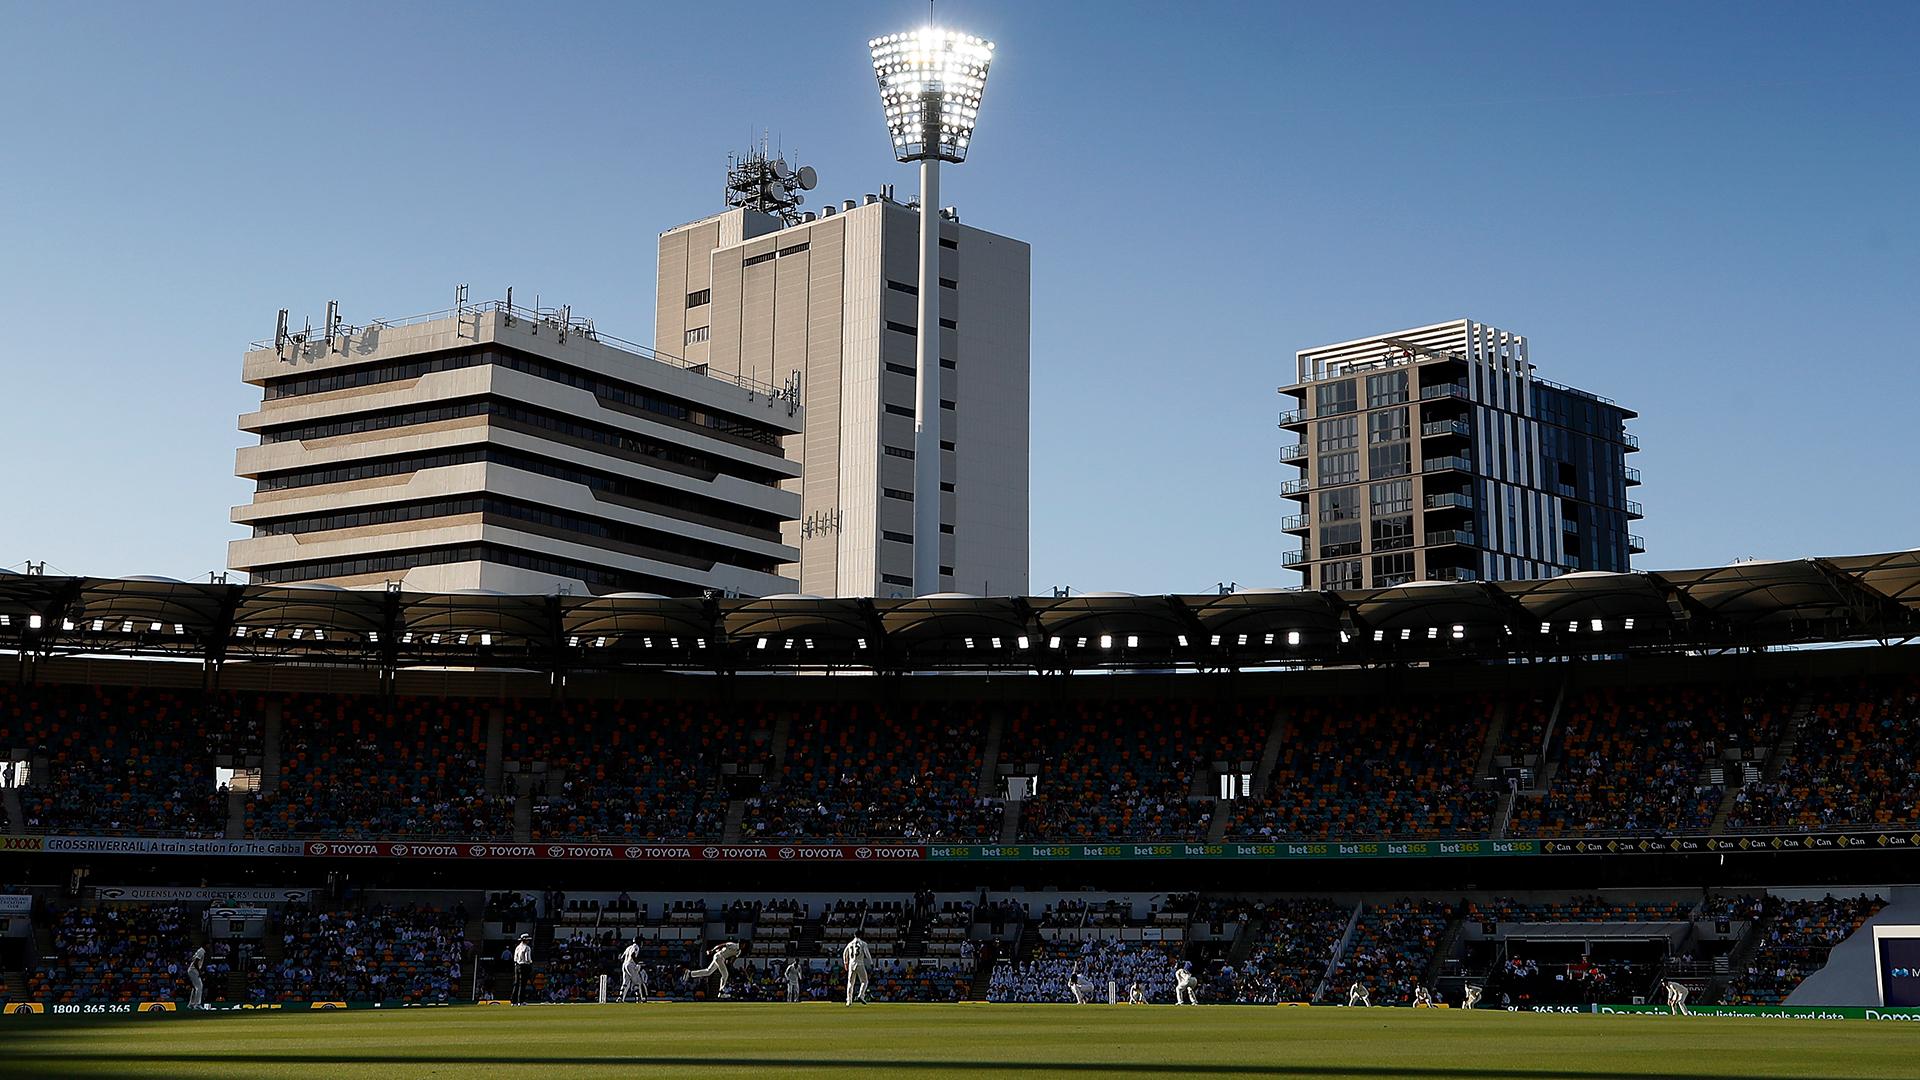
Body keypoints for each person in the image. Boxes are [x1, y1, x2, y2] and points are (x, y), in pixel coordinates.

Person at [841, 934, 874, 1006]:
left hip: (851, 964)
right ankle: (861, 995)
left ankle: (849, 1001)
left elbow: (844, 953)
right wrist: (871, 962)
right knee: (864, 981)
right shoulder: (863, 943)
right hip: (860, 963)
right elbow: (867, 953)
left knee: (850, 983)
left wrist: (845, 962)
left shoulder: (850, 944)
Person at [511, 934, 534, 1005]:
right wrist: (530, 962)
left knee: (516, 983)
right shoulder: (527, 948)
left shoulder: (517, 947)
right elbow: (528, 958)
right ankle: (521, 1001)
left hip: (517, 965)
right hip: (524, 966)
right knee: (522, 984)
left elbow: (515, 958)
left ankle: (513, 1001)